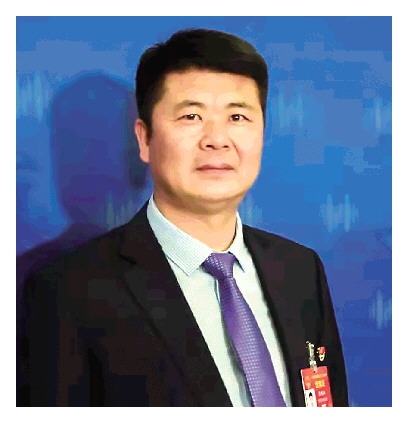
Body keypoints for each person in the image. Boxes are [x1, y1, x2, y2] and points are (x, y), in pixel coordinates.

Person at [20, 28, 349, 407]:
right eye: (192, 116)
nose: (217, 139)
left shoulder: (300, 269)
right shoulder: (70, 289)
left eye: (238, 116)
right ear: (144, 139)